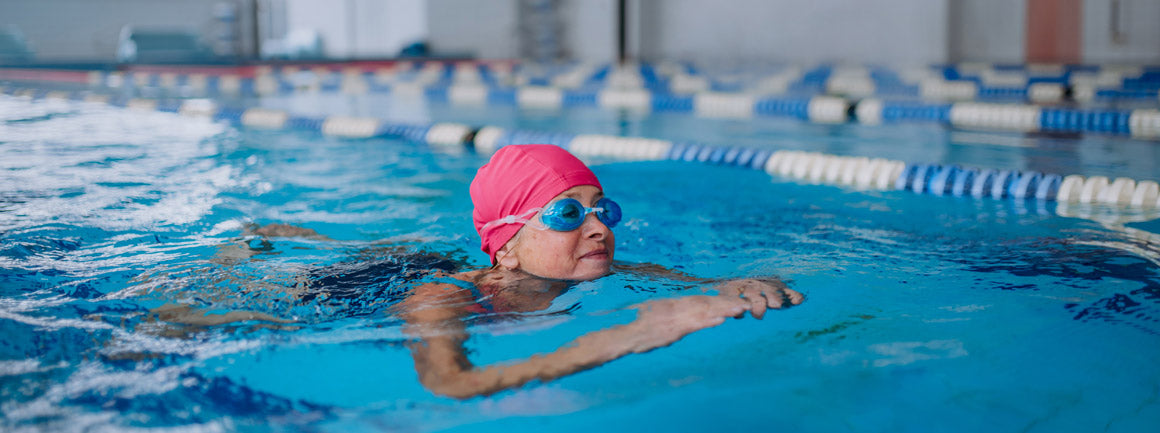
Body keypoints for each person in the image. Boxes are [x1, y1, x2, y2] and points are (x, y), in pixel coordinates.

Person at [400, 144, 803, 399]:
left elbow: (712, 285)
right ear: (506, 250)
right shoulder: (442, 298)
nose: (599, 229)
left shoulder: (604, 268)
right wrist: (625, 336)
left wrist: (746, 283)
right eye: (567, 214)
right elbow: (448, 383)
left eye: (602, 210)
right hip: (375, 279)